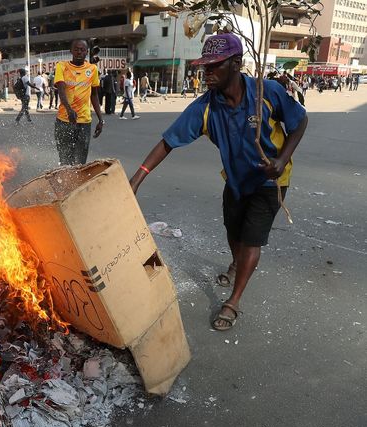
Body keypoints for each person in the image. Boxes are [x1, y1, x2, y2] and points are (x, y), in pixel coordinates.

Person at [129, 33, 308, 331]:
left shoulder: (267, 92)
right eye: (204, 67)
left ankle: (233, 301)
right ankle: (236, 262)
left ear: (236, 64)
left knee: (252, 238)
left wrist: (280, 160)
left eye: (214, 67)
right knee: (233, 230)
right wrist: (136, 180)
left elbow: (299, 121)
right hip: (237, 182)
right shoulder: (205, 107)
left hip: (271, 181)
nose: (206, 74)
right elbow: (167, 142)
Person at [53, 39, 104, 165]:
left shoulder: (92, 69)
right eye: (76, 49)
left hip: (84, 122)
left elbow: (94, 95)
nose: (79, 52)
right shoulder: (62, 66)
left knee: (80, 163)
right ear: (71, 50)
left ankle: (77, 184)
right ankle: (65, 184)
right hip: (64, 121)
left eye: (82, 50)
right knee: (65, 160)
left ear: (87, 52)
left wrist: (100, 119)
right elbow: (61, 89)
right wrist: (69, 110)